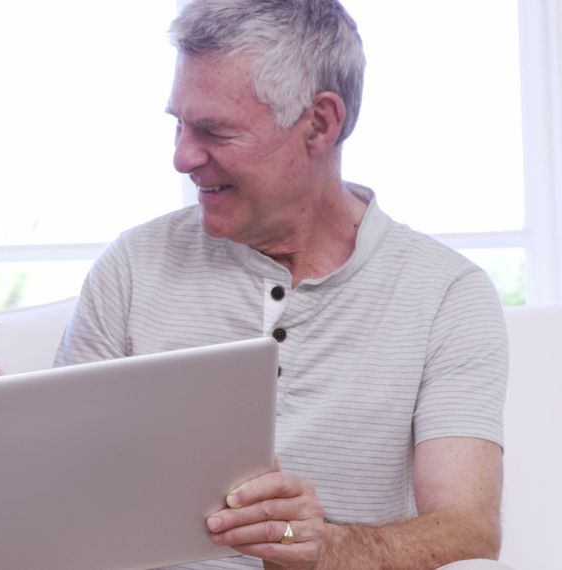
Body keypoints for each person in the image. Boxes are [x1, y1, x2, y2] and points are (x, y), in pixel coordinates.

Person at [55, 1, 509, 569]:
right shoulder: (132, 266)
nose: (181, 156)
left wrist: (321, 546)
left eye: (214, 130)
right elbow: (59, 494)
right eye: (178, 123)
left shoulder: (446, 294)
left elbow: (468, 535)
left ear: (320, 123)